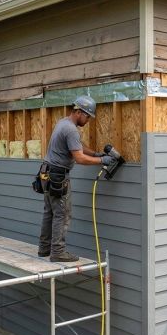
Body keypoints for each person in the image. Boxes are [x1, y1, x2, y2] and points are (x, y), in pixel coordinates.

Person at [38, 96, 114, 262]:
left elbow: (77, 145)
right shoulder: (71, 129)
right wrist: (102, 160)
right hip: (58, 176)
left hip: (47, 173)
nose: (88, 120)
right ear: (79, 112)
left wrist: (95, 154)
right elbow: (79, 158)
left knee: (49, 212)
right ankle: (57, 252)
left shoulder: (63, 123)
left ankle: (44, 249)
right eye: (87, 116)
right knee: (62, 214)